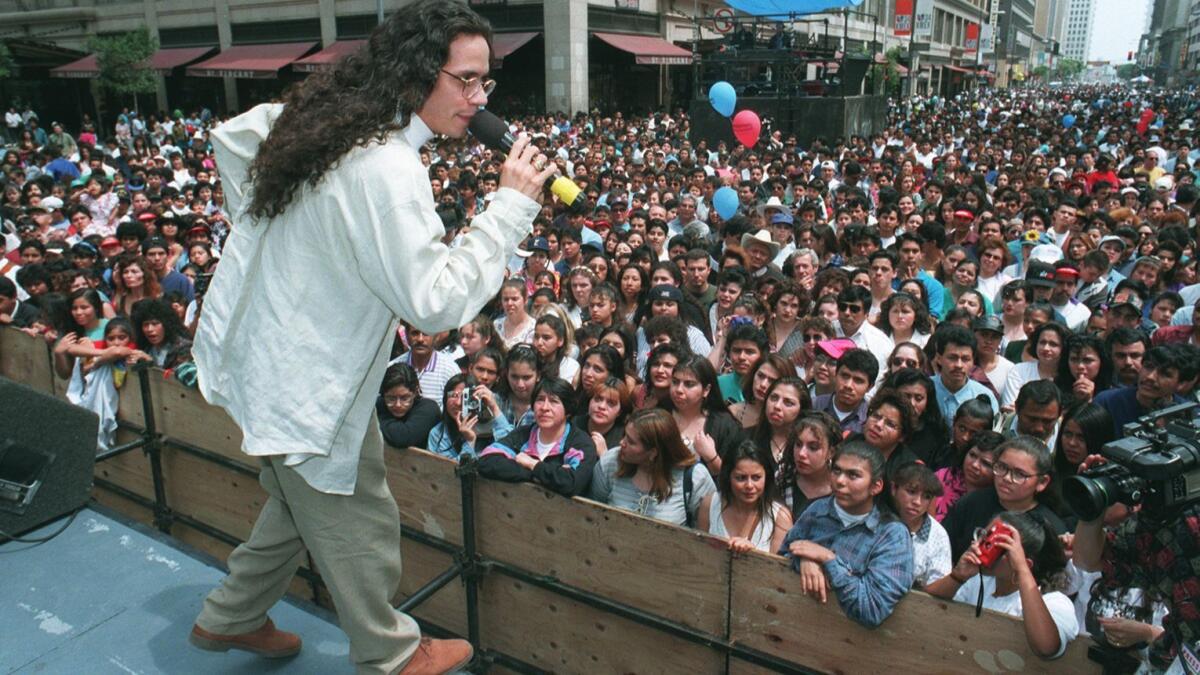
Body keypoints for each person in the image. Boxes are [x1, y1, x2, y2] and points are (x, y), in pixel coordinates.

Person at [190, 4, 555, 670]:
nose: (479, 99)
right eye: (466, 80)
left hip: (274, 355)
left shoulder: (323, 122)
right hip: (308, 374)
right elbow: (436, 303)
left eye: (485, 83)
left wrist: (284, 242)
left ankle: (230, 617)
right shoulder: (387, 165)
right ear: (418, 73)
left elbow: (235, 141)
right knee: (356, 507)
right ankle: (390, 653)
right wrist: (510, 207)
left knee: (294, 496)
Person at [779, 440, 914, 628]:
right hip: (798, 627)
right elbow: (781, 557)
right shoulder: (817, 510)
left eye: (853, 475)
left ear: (876, 486)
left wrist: (828, 559)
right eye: (836, 471)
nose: (840, 481)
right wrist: (804, 561)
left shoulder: (892, 535)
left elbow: (872, 609)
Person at [926, 512, 1078, 659]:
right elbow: (924, 606)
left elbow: (1046, 647)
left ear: (1025, 563)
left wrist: (1022, 570)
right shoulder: (978, 582)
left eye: (995, 546)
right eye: (983, 537)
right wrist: (957, 577)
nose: (980, 546)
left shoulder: (1055, 602)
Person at [941, 436, 1066, 560]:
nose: (1006, 478)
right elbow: (943, 549)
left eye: (1019, 474)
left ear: (1042, 482)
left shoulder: (1049, 527)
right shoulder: (972, 502)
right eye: (1001, 467)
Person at [588, 408, 717, 527]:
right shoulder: (611, 462)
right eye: (625, 435)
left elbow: (706, 530)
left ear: (653, 453)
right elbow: (593, 512)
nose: (622, 443)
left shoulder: (694, 478)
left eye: (631, 442)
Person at [477, 378, 597, 496]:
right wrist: (537, 474)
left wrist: (532, 464)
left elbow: (572, 483)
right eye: (540, 400)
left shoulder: (581, 443)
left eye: (554, 401)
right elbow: (486, 460)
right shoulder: (523, 434)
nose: (544, 408)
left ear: (568, 409)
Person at [697, 440, 793, 553]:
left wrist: (754, 555)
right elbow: (700, 553)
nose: (749, 485)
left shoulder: (781, 518)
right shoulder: (710, 505)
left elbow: (779, 568)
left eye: (756, 478)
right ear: (729, 477)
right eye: (741, 478)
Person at [1094, 345, 1187, 434]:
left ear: (1181, 383)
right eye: (1148, 367)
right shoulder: (1107, 402)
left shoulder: (1189, 413)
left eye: (1164, 373)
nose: (1150, 377)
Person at [889, 462, 951, 590]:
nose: (917, 502)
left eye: (926, 497)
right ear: (894, 488)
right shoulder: (878, 519)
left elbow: (936, 584)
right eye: (911, 492)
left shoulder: (938, 535)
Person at [931, 324, 999, 429]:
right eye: (952, 358)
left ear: (973, 361)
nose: (959, 365)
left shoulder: (985, 396)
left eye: (965, 359)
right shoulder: (924, 389)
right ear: (939, 359)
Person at [812, 347, 877, 435]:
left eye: (858, 380)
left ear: (870, 387)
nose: (848, 385)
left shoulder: (871, 419)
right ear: (836, 375)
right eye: (845, 376)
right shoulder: (813, 406)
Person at [376, 364, 439, 449]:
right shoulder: (379, 404)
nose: (398, 405)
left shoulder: (429, 408)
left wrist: (375, 420)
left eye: (404, 398)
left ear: (415, 392)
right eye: (391, 398)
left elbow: (402, 437)